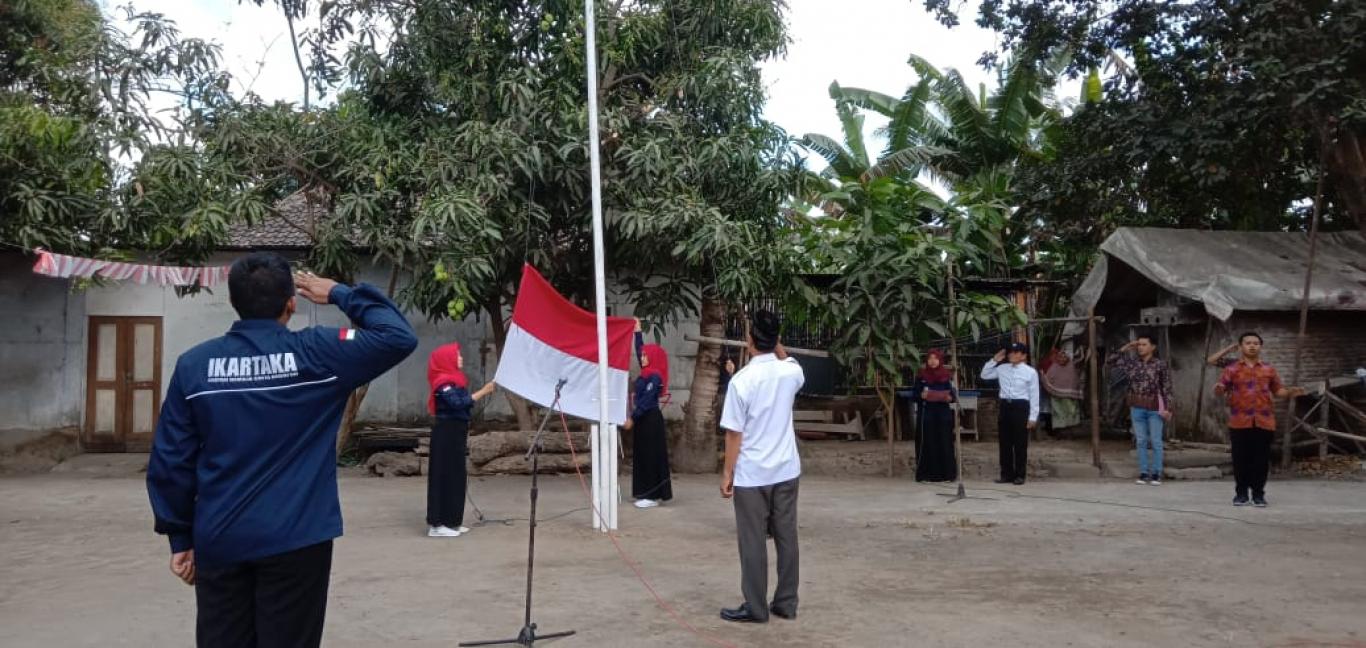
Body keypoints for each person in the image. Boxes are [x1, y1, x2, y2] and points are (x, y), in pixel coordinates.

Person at [146, 253, 418, 648]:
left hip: (221, 537)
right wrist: (341, 293)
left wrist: (180, 537)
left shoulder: (195, 367)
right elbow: (397, 336)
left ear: (233, 301)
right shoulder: (318, 354)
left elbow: (171, 458)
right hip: (297, 539)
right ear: (292, 301)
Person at [718, 310, 804, 624]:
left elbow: (733, 434)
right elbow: (785, 358)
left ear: (749, 340)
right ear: (776, 339)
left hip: (753, 474)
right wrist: (775, 342)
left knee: (753, 540)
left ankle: (755, 607)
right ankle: (786, 602)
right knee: (786, 536)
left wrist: (727, 473)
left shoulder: (742, 381)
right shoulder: (791, 372)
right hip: (786, 469)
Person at [1210, 332, 1304, 507]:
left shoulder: (1269, 369)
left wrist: (1290, 391)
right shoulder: (1232, 368)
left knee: (1261, 460)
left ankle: (1259, 494)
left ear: (1261, 346)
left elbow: (1278, 391)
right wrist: (1218, 390)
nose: (1252, 346)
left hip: (1264, 420)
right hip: (1239, 420)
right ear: (1242, 346)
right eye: (1248, 343)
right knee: (1240, 460)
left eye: (1256, 343)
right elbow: (1221, 387)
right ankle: (1241, 494)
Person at [426, 342, 496, 537]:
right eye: (457, 355)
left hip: (456, 432)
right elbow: (457, 403)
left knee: (456, 476)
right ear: (446, 359)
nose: (461, 358)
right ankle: (437, 524)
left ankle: (452, 521)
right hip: (445, 433)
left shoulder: (457, 380)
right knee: (442, 476)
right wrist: (483, 391)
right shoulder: (442, 382)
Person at [1107, 335, 1174, 486]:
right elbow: (1111, 361)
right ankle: (1144, 473)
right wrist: (1127, 347)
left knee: (1156, 441)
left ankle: (1156, 473)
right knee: (1141, 441)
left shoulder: (1160, 365)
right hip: (1137, 407)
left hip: (1154, 407)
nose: (1140, 347)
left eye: (1144, 344)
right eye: (1139, 345)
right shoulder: (1132, 364)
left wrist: (1169, 407)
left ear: (1153, 347)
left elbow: (1167, 387)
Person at [625, 318, 672, 509]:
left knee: (651, 456)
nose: (642, 357)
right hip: (643, 420)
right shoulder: (646, 373)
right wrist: (637, 332)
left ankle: (652, 496)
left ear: (653, 357)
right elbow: (639, 350)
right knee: (643, 455)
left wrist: (632, 418)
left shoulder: (655, 376)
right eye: (642, 355)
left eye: (645, 356)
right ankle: (645, 493)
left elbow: (645, 402)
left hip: (651, 420)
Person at [980, 342, 1038, 485]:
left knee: (1020, 443)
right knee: (1004, 443)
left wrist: (1033, 416)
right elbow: (984, 375)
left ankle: (1020, 475)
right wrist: (994, 360)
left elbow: (1034, 395)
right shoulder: (1002, 368)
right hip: (1006, 405)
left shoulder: (1030, 372)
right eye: (1011, 352)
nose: (1012, 354)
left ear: (1023, 355)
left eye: (1017, 352)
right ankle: (1006, 474)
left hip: (1021, 406)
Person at [913, 349, 957, 483]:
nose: (932, 361)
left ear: (940, 360)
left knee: (944, 442)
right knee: (927, 443)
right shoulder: (921, 377)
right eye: (930, 358)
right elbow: (914, 395)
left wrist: (949, 398)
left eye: (935, 358)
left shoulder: (946, 376)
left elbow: (953, 396)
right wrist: (922, 396)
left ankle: (947, 475)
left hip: (943, 415)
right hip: (927, 415)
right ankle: (927, 475)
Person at [1041, 348, 1084, 432]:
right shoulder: (1054, 366)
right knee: (1059, 413)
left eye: (1064, 357)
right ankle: (1061, 432)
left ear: (1068, 357)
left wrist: (1082, 349)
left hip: (1070, 396)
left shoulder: (1073, 365)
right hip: (1057, 396)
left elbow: (1081, 359)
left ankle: (1070, 432)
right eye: (1060, 357)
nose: (1062, 359)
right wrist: (1043, 377)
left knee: (1071, 413)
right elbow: (1048, 378)